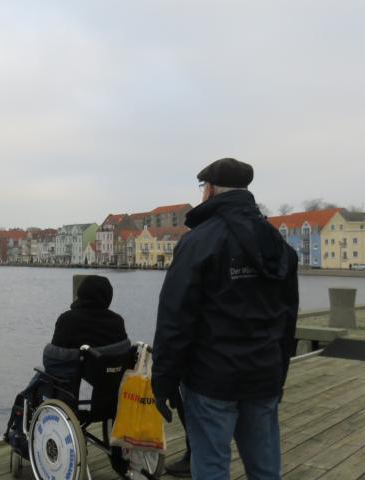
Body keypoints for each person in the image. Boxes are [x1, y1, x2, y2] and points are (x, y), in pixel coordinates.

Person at [151, 158, 299, 480]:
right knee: (265, 468)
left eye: (203, 187)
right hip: (263, 373)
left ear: (210, 190)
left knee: (211, 466)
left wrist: (163, 380)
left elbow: (175, 319)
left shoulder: (198, 242)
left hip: (211, 377)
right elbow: (288, 317)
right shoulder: (277, 244)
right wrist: (279, 372)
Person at [4, 275, 128, 453]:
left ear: (81, 294)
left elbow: (52, 362)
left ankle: (19, 433)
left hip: (78, 400)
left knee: (39, 377)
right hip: (110, 399)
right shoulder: (117, 322)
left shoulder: (68, 320)